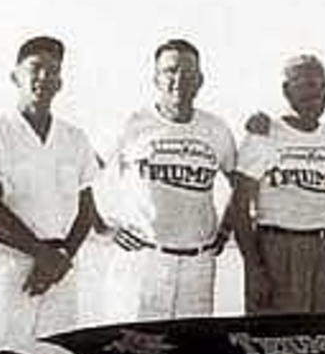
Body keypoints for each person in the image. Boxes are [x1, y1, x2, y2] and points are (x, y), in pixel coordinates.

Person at [92, 38, 236, 323]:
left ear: (200, 80)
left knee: (191, 346)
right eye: (170, 71)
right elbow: (82, 174)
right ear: (156, 78)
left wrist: (226, 228)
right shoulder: (132, 123)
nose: (179, 79)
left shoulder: (216, 128)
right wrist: (101, 227)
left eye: (188, 72)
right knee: (133, 347)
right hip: (143, 259)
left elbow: (240, 184)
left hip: (198, 264)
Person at [0, 35, 98, 354]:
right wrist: (43, 256)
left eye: (53, 71)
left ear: (61, 82)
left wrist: (62, 258)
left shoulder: (75, 138)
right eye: (35, 68)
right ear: (15, 76)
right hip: (11, 265)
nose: (44, 77)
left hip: (62, 269)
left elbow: (86, 212)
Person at [233, 54, 325, 314]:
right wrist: (254, 267)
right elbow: (239, 208)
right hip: (278, 248)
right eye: (308, 85)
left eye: (323, 86)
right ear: (286, 89)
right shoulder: (263, 136)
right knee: (278, 334)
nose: (318, 93)